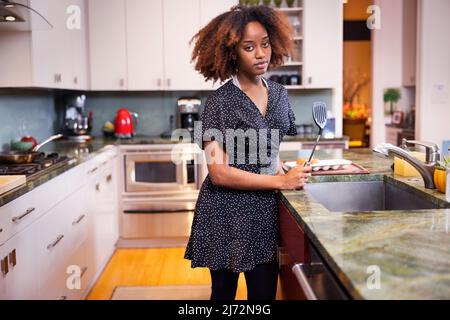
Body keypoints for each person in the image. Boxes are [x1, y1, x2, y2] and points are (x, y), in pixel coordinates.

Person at [184, 5, 312, 301]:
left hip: (265, 213)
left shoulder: (280, 94)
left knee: (264, 294)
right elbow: (218, 173)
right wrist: (281, 182)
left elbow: (267, 149)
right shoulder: (218, 102)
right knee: (224, 295)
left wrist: (283, 169)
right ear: (232, 53)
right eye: (249, 47)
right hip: (225, 212)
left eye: (265, 44)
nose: (260, 54)